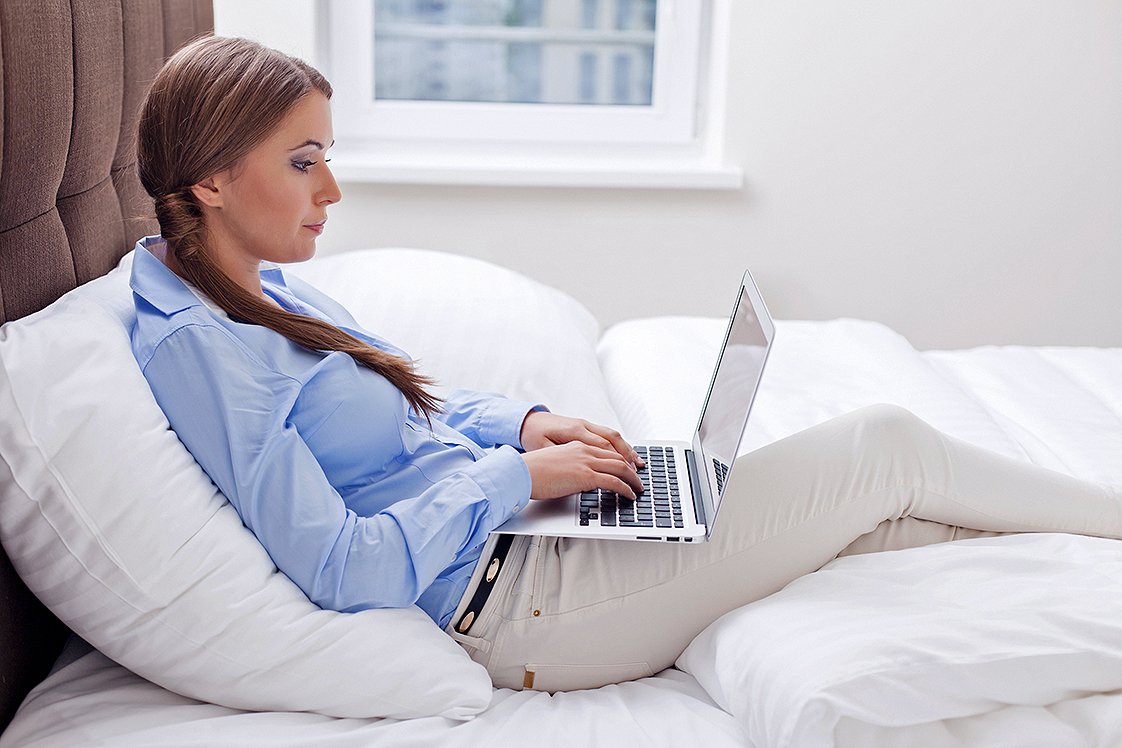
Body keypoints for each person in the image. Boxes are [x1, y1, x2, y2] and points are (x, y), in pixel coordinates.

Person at [130, 36, 1122, 693]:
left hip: (530, 536)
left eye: (328, 154)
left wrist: (521, 428)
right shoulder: (198, 344)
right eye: (303, 161)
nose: (333, 188)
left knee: (890, 516)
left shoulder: (258, 283)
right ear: (212, 177)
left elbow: (398, 416)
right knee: (887, 446)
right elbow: (340, 565)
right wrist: (515, 477)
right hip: (518, 607)